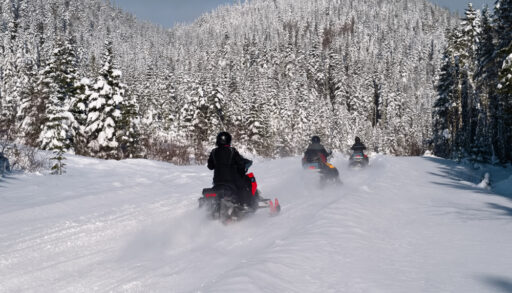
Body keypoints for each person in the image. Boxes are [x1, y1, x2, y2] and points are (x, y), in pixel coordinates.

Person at [207, 132, 252, 207]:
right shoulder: (232, 151)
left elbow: (210, 166)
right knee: (244, 185)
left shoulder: (213, 152)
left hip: (217, 181)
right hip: (231, 180)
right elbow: (240, 163)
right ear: (229, 140)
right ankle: (245, 205)